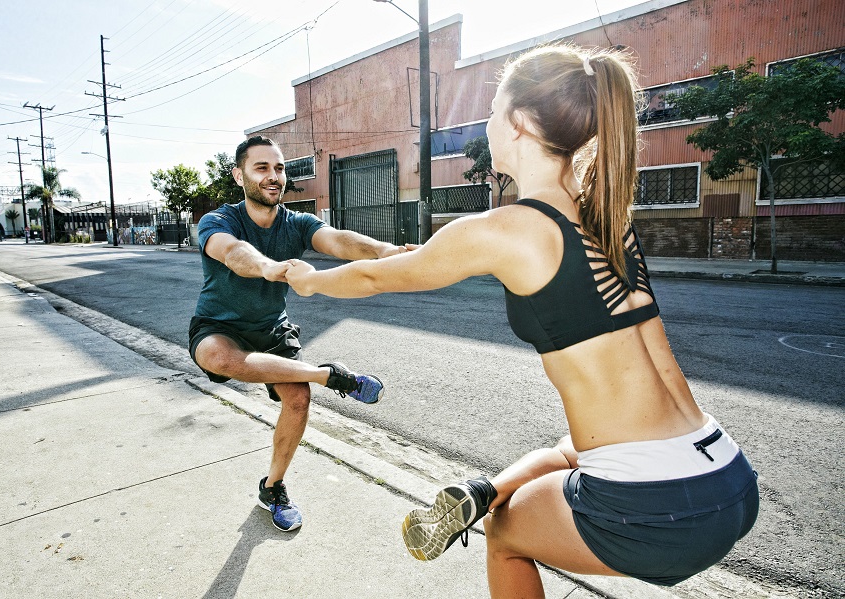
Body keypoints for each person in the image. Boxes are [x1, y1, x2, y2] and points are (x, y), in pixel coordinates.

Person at [286, 44, 759, 595]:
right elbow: (414, 258)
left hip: (659, 507)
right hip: (725, 474)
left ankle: (488, 505)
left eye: (490, 111)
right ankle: (484, 488)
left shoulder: (506, 228)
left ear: (518, 123)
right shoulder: (608, 220)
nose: (484, 124)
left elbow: (372, 278)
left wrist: (311, 280)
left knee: (505, 535)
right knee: (569, 449)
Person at [190, 135, 414, 532]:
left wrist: (383, 249)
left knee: (297, 399)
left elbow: (337, 240)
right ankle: (330, 374)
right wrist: (266, 267)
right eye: (262, 168)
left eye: (278, 168)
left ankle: (272, 487)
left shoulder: (296, 223)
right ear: (238, 175)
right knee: (217, 358)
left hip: (271, 329)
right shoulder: (219, 220)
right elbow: (231, 252)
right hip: (219, 326)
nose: (274, 177)